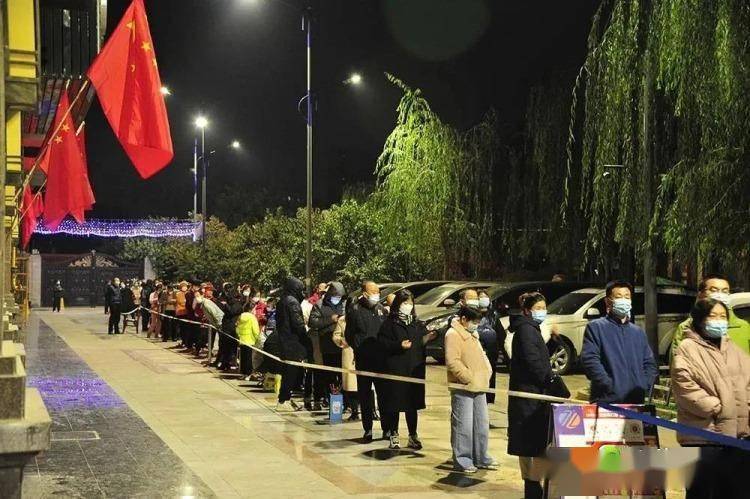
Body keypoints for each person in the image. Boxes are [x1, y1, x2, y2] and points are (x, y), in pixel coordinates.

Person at [671, 297, 750, 499]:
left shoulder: (733, 349)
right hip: (703, 435)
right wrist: (717, 408)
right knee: (704, 491)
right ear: (700, 319)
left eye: (723, 316)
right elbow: (684, 385)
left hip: (737, 436)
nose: (719, 320)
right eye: (713, 316)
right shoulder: (687, 347)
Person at [581, 280, 658, 404]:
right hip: (607, 402)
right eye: (618, 297)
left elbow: (649, 363)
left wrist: (644, 385)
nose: (624, 300)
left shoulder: (638, 332)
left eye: (627, 297)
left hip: (635, 402)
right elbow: (590, 360)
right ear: (608, 301)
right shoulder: (596, 328)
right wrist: (608, 385)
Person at [377, 290, 436, 450]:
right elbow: (382, 344)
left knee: (412, 404)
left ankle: (412, 435)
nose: (408, 306)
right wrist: (398, 345)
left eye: (410, 303)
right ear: (398, 304)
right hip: (396, 368)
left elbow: (420, 341)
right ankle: (394, 434)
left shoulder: (416, 323)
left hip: (414, 368)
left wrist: (428, 337)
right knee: (394, 404)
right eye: (405, 303)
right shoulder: (389, 324)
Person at [507, 292, 553, 499]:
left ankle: (534, 487)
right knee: (531, 446)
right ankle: (532, 489)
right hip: (528, 399)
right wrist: (552, 382)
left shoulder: (530, 329)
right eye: (538, 308)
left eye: (544, 308)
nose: (542, 312)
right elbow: (533, 363)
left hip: (534, 398)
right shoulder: (526, 330)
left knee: (535, 445)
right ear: (527, 310)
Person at [445, 306, 496, 473]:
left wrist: (487, 371)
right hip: (463, 386)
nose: (476, 325)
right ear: (463, 319)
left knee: (481, 424)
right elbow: (452, 361)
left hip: (479, 385)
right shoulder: (453, 334)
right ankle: (463, 460)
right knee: (463, 426)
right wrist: (468, 377)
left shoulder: (473, 334)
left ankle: (481, 457)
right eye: (474, 321)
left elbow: (482, 355)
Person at [345, 281, 388, 442]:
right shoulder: (355, 310)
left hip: (380, 360)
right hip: (364, 359)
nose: (377, 295)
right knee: (365, 394)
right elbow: (349, 334)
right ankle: (368, 429)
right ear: (364, 293)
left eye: (378, 292)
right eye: (373, 292)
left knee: (383, 394)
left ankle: (387, 428)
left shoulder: (381, 310)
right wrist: (358, 347)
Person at [671, 274, 750, 357]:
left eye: (725, 291)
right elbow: (677, 360)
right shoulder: (686, 328)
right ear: (701, 294)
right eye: (714, 290)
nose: (720, 295)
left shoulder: (744, 327)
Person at [308, 282, 346, 410]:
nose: (337, 299)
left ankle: (344, 401)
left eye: (340, 297)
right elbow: (312, 322)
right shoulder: (319, 305)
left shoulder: (344, 305)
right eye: (335, 296)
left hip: (342, 346)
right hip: (326, 345)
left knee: (343, 376)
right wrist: (331, 319)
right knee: (328, 375)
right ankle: (328, 398)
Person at [275, 277, 309, 412]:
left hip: (284, 341)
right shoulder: (292, 302)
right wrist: (306, 338)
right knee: (290, 372)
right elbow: (298, 324)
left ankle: (285, 398)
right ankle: (283, 400)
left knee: (287, 371)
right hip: (293, 343)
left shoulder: (282, 301)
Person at [476, 290, 502, 404]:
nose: (483, 299)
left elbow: (501, 335)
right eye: (480, 297)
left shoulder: (494, 316)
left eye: (485, 297)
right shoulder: (472, 315)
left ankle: (488, 399)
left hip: (491, 355)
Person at [332, 314, 359, 420]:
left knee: (368, 384)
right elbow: (336, 335)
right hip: (349, 353)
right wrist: (342, 341)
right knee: (351, 384)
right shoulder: (342, 320)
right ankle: (354, 410)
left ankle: (372, 411)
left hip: (364, 351)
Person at [237, 306, 261, 379]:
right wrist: (257, 338)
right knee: (249, 358)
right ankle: (248, 373)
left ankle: (243, 373)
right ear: (251, 309)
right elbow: (255, 329)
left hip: (242, 339)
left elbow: (237, 327)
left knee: (243, 358)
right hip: (250, 340)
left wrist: (239, 335)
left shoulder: (240, 316)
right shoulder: (252, 317)